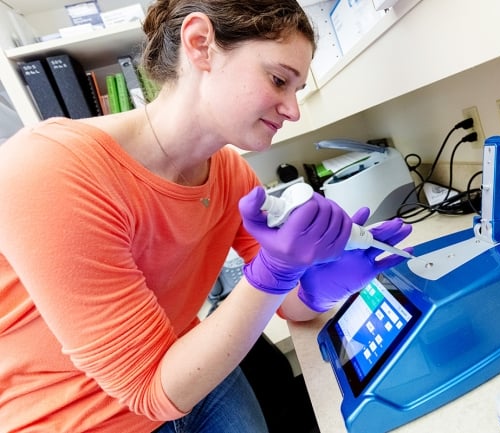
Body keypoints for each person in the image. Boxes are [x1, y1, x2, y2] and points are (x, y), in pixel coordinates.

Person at [0, 0, 413, 432]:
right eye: (278, 80)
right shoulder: (49, 170)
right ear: (200, 44)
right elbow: (149, 391)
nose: (292, 110)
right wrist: (277, 269)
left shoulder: (229, 173)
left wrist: (325, 282)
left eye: (296, 89)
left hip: (190, 368)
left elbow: (287, 303)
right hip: (81, 417)